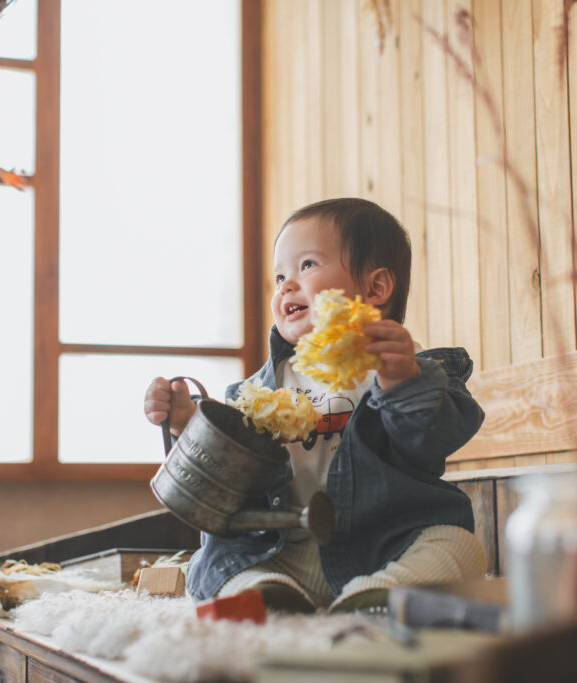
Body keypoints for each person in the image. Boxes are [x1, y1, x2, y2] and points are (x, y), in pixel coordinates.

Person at [144, 198, 486, 612]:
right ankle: (266, 593)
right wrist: (187, 422)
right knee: (218, 561)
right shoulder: (258, 389)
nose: (287, 285)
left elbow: (430, 441)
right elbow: (225, 469)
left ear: (376, 289)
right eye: (279, 276)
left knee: (461, 544)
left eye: (306, 266)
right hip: (275, 552)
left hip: (381, 545)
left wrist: (402, 382)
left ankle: (378, 593)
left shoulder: (411, 370)